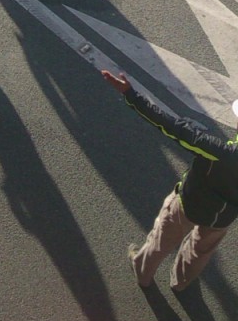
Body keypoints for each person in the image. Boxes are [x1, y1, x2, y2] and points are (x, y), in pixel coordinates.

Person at [101, 69, 238, 292]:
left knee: (160, 242)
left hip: (187, 205)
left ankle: (143, 274)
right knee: (199, 252)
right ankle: (181, 283)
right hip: (221, 219)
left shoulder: (221, 153)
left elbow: (172, 128)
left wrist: (131, 95)